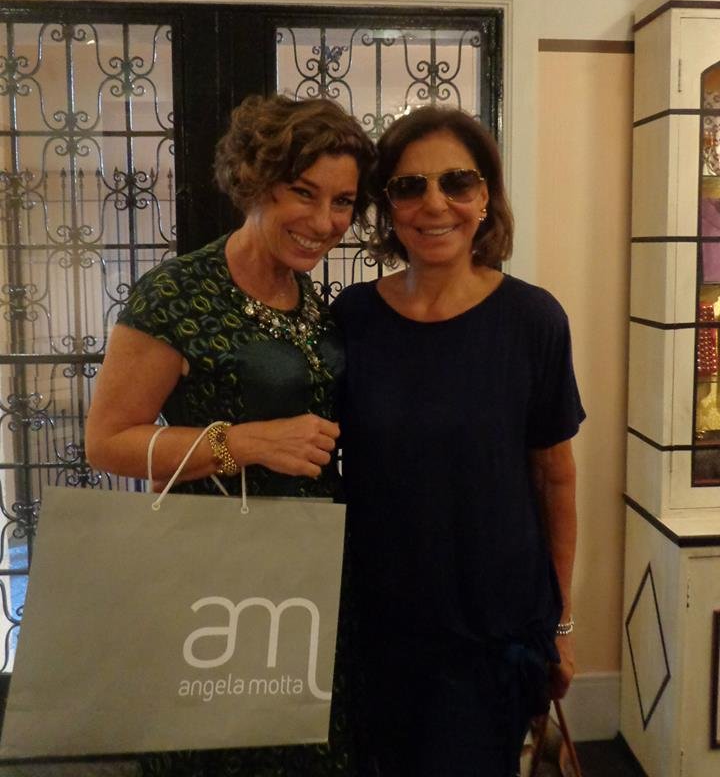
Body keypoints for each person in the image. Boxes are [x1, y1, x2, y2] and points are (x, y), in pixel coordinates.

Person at [85, 93, 375, 777]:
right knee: (220, 743)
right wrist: (241, 442)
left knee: (311, 746)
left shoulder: (311, 301)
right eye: (303, 192)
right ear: (255, 181)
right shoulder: (177, 294)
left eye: (342, 202)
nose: (324, 222)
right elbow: (107, 442)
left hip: (310, 576)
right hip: (216, 580)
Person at [332, 106, 584, 777]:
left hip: (493, 632)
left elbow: (555, 477)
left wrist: (561, 625)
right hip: (377, 624)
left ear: (486, 196)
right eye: (409, 186)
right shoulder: (352, 319)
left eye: (458, 182)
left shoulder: (533, 319)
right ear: (388, 206)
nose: (434, 204)